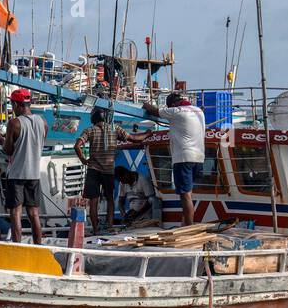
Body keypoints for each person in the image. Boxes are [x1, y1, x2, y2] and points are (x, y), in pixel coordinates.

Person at [74, 106, 149, 234]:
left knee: (93, 201)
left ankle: (96, 229)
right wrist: (148, 134)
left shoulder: (89, 130)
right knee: (109, 199)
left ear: (93, 118)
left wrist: (83, 160)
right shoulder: (115, 129)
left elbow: (77, 146)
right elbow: (133, 138)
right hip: (108, 170)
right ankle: (109, 226)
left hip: (93, 170)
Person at [144, 91, 206, 226]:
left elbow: (154, 111)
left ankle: (188, 227)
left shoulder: (176, 111)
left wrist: (145, 104)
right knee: (189, 193)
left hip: (183, 158)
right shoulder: (198, 111)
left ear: (172, 104)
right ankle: (185, 223)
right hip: (199, 157)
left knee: (185, 195)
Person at [2, 88, 47, 244]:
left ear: (16, 104)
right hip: (34, 174)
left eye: (12, 104)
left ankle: (17, 247)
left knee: (15, 212)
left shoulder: (14, 123)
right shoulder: (43, 122)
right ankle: (38, 247)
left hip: (17, 174)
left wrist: (0, 140)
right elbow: (36, 143)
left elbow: (8, 149)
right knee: (34, 213)